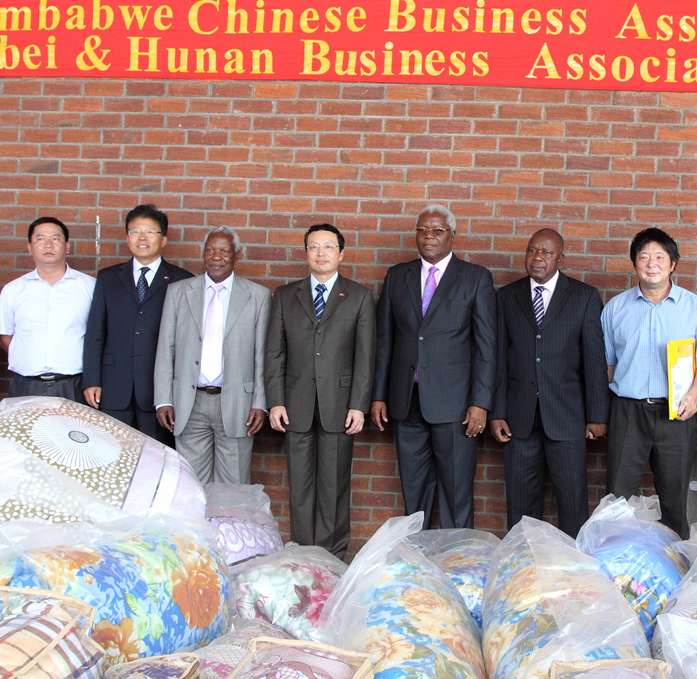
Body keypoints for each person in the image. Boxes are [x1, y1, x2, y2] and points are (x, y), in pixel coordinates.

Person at [371, 204, 497, 530]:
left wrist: (481, 403)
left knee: (456, 493)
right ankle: (416, 554)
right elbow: (385, 342)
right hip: (406, 402)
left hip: (456, 406)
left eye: (437, 230)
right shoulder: (397, 276)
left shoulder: (475, 278)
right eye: (422, 230)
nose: (429, 236)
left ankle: (456, 556)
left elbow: (486, 348)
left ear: (452, 236)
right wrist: (379, 395)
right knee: (413, 492)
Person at [265, 223, 375, 559]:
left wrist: (358, 405)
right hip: (295, 404)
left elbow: (365, 355)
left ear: (341, 253)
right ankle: (302, 556)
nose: (321, 253)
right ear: (306, 253)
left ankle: (331, 557)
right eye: (314, 246)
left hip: (339, 406)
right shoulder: (286, 295)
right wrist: (275, 401)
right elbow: (274, 353)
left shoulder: (359, 296)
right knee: (299, 486)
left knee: (334, 486)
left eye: (328, 246)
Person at [490, 229, 608, 537]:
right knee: (521, 506)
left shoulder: (584, 297)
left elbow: (594, 361)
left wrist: (597, 416)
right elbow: (498, 360)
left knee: (572, 501)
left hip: (567, 418)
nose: (537, 258)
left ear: (560, 258)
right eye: (532, 251)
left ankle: (573, 562)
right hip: (519, 420)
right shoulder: (506, 296)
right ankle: (523, 560)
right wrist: (497, 412)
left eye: (546, 252)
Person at [601, 227, 697, 537]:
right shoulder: (615, 308)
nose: (651, 264)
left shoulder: (693, 307)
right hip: (628, 413)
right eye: (644, 257)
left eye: (659, 257)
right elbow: (607, 365)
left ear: (673, 264)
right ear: (634, 263)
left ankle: (676, 558)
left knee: (674, 498)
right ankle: (614, 558)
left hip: (676, 413)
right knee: (617, 498)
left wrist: (693, 395)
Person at [154, 227, 269, 484]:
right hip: (189, 402)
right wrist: (163, 399)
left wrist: (259, 402)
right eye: (210, 250)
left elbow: (262, 355)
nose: (216, 257)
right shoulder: (178, 292)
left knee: (234, 485)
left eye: (224, 251)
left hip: (238, 403)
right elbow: (165, 348)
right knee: (191, 484)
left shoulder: (258, 296)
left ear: (237, 255)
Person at [82, 204, 192, 445]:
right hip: (113, 388)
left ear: (164, 239)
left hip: (158, 393)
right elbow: (95, 333)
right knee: (112, 453)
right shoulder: (108, 278)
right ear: (127, 238)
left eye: (150, 232)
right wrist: (91, 379)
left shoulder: (183, 281)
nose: (142, 238)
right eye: (135, 232)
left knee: (156, 456)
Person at [0, 217, 96, 402]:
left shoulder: (89, 287)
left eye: (55, 239)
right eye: (41, 239)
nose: (48, 245)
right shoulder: (13, 290)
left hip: (74, 385)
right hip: (26, 384)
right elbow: (5, 336)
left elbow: (99, 336)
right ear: (30, 247)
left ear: (67, 247)